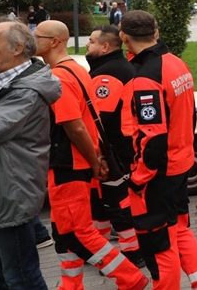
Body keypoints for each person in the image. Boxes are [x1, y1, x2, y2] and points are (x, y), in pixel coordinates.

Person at [34, 21, 149, 289]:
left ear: (54, 41)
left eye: (37, 36)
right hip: (74, 162)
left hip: (68, 163)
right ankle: (70, 284)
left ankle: (130, 278)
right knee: (64, 233)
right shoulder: (76, 70)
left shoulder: (59, 77)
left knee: (76, 232)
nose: (32, 40)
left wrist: (94, 160)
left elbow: (74, 126)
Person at [119, 11, 197, 289]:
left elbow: (153, 139)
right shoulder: (175, 63)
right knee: (179, 231)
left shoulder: (146, 77)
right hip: (180, 162)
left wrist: (139, 178)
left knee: (158, 245)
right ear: (156, 32)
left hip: (157, 175)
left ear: (123, 36)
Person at [0, 21, 59, 290]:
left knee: (20, 277)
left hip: (10, 196)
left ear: (17, 48)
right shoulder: (0, 78)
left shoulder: (28, 91)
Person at [85, 25, 143, 266]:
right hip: (122, 147)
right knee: (102, 203)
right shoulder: (121, 67)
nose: (88, 45)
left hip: (114, 151)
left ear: (105, 46)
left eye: (91, 42)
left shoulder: (107, 75)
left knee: (117, 204)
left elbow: (100, 118)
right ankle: (101, 250)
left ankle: (131, 255)